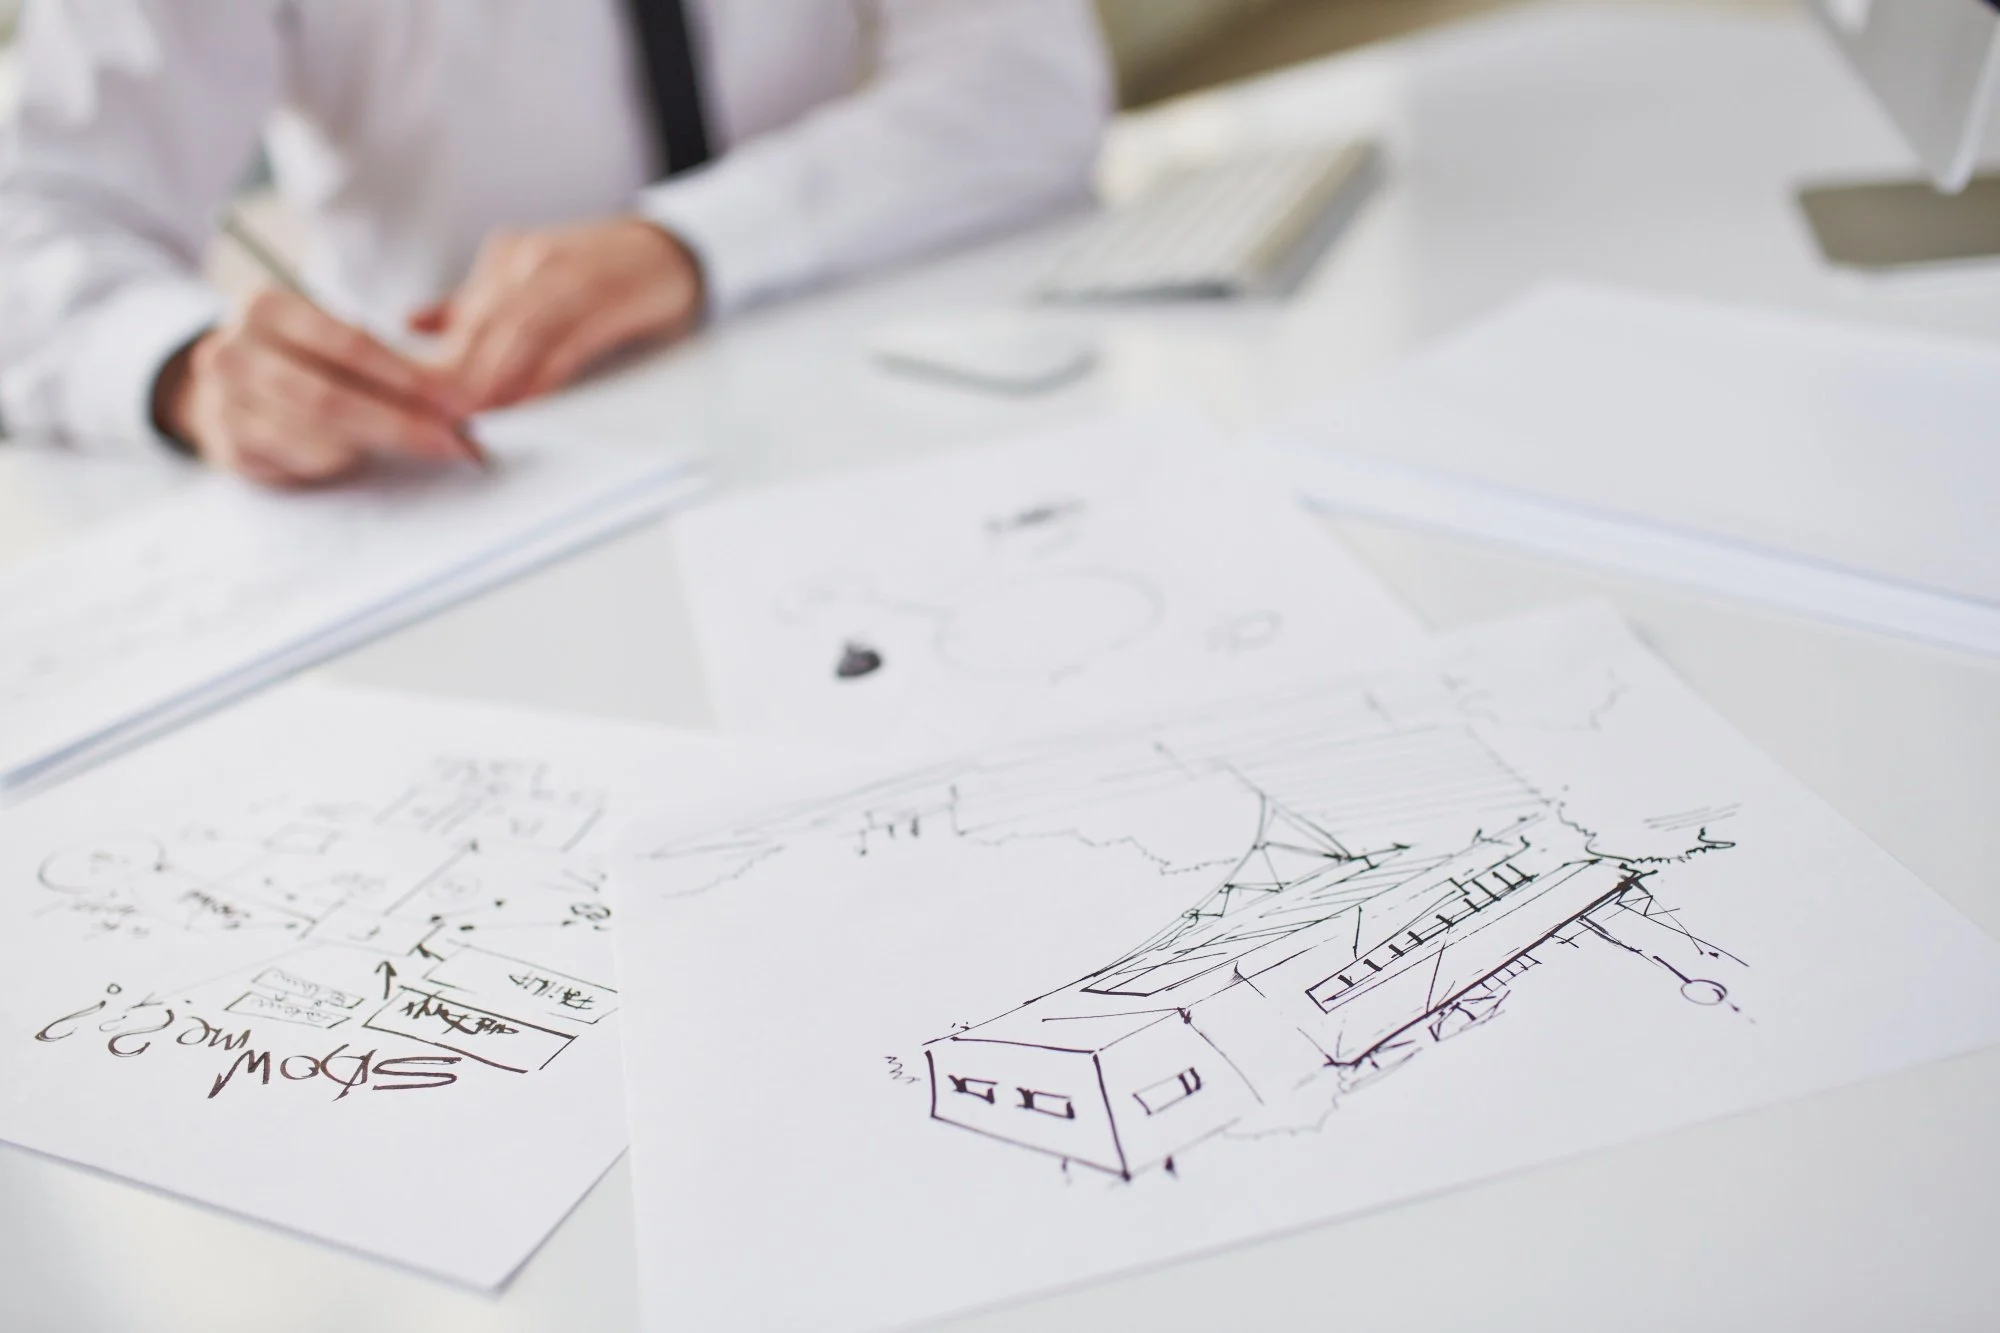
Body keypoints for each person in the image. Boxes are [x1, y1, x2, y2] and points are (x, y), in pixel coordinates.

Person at [0, 0, 1109, 485]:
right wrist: (184, 370)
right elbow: (33, 209)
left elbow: (1027, 76)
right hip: (464, 469)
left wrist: (692, 243)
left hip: (871, 407)